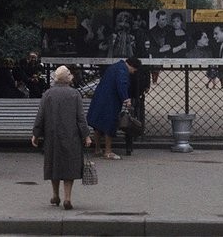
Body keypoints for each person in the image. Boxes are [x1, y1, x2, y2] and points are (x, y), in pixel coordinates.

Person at [31, 66, 92, 210]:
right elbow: (80, 118)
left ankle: (55, 195)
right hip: (71, 136)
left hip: (52, 136)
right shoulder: (74, 94)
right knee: (69, 167)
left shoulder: (48, 94)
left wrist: (36, 133)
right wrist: (86, 136)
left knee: (54, 165)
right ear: (67, 78)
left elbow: (41, 115)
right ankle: (67, 198)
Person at [86, 57, 142, 159]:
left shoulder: (114, 67)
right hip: (111, 101)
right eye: (134, 70)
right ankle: (108, 151)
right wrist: (126, 98)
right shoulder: (122, 70)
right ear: (132, 66)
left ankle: (97, 149)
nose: (133, 73)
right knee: (110, 125)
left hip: (100, 97)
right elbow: (122, 84)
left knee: (98, 125)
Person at [125, 62, 151, 156]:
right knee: (133, 114)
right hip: (133, 89)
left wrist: (147, 84)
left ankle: (137, 133)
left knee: (136, 113)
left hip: (136, 89)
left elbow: (147, 70)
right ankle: (136, 134)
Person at [148, 11, 171, 83]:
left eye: (166, 19)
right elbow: (149, 49)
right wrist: (160, 50)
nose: (165, 21)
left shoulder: (171, 29)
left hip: (171, 60)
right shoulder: (151, 32)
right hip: (157, 61)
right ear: (157, 19)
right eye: (162, 19)